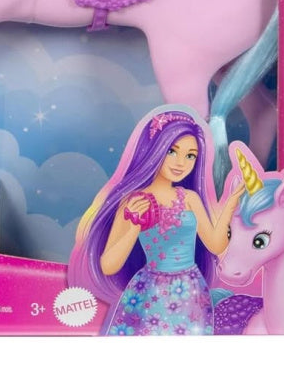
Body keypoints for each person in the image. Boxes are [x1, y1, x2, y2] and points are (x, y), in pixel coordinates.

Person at [68, 108, 243, 335]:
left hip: (189, 289)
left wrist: (230, 206)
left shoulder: (189, 198)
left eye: (190, 156)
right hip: (149, 291)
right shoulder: (134, 201)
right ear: (155, 149)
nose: (181, 163)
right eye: (172, 151)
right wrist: (134, 227)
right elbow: (108, 265)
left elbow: (216, 245)